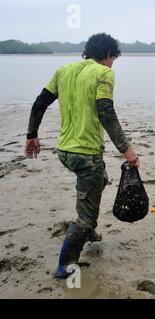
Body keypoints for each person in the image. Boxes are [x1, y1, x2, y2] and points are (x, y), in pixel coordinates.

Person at [24, 33, 140, 279]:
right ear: (108, 55)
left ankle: (87, 231)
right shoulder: (104, 74)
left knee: (101, 180)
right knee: (87, 216)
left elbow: (40, 102)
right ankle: (66, 264)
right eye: (113, 59)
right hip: (86, 156)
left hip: (64, 152)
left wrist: (31, 135)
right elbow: (106, 112)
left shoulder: (64, 70)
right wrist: (127, 150)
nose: (112, 65)